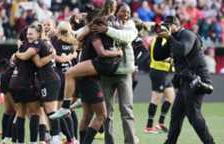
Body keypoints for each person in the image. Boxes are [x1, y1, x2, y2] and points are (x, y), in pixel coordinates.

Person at [153, 16, 215, 144]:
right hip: (185, 81)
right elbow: (157, 56)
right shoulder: (173, 39)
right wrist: (159, 38)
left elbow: (182, 50)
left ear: (175, 25)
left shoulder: (187, 34)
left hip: (197, 79)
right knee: (176, 114)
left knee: (193, 115)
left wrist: (169, 37)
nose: (165, 28)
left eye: (167, 25)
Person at [91, 3, 138, 144]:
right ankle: (109, 141)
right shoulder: (105, 22)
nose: (126, 14)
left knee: (127, 110)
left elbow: (126, 37)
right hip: (107, 73)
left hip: (124, 73)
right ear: (116, 12)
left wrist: (107, 30)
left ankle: (130, 141)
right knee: (107, 113)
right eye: (123, 11)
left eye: (128, 12)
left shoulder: (130, 25)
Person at [144, 36, 175, 134]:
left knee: (171, 96)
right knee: (156, 98)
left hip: (163, 72)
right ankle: (149, 127)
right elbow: (157, 56)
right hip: (158, 71)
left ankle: (160, 123)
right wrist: (171, 60)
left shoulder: (165, 39)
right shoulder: (159, 40)